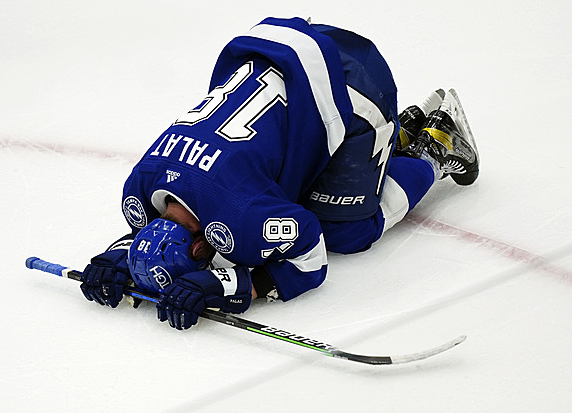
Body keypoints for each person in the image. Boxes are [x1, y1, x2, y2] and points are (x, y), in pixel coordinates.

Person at [79, 17, 479, 330]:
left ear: (203, 249)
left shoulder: (240, 217)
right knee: (287, 193)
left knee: (345, 232)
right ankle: (398, 136)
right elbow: (147, 231)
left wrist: (233, 287)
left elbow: (311, 254)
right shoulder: (141, 186)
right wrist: (120, 258)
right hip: (274, 53)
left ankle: (433, 148)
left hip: (349, 82)